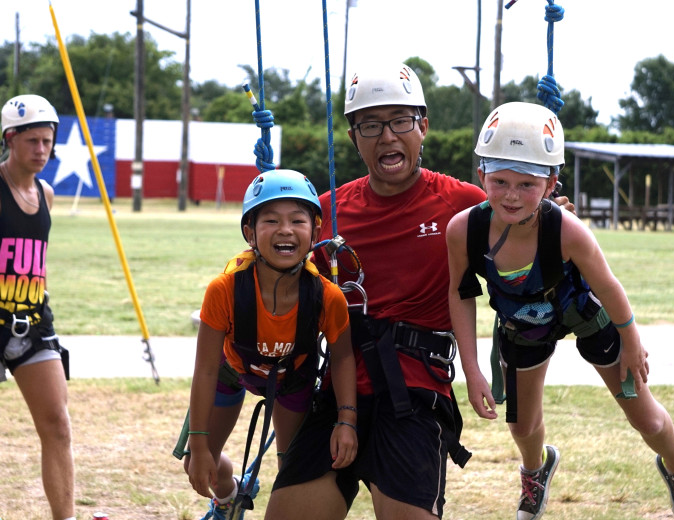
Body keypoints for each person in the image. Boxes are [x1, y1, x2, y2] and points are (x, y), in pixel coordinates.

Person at [247, 63, 488, 520]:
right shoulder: (323, 215)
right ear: (354, 137)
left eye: (401, 121)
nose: (387, 136)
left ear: (423, 128)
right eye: (371, 125)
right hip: (340, 393)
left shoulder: (462, 204)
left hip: (414, 393)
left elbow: (518, 240)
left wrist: (547, 220)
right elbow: (270, 280)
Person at [446, 101, 674, 520]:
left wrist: (632, 343)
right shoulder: (463, 229)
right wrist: (472, 370)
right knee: (522, 428)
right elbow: (460, 294)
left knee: (646, 418)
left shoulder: (570, 232)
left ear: (550, 185)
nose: (512, 195)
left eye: (527, 184)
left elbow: (609, 287)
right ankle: (537, 469)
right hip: (522, 325)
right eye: (500, 181)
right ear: (481, 177)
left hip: (585, 314)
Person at [184, 169, 357, 519]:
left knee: (292, 470)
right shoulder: (225, 290)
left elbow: (342, 359)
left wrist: (346, 420)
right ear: (250, 232)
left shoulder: (327, 297)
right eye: (271, 220)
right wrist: (200, 442)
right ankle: (228, 497)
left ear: (314, 232)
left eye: (297, 220)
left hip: (292, 380)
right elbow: (205, 368)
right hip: (232, 372)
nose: (285, 230)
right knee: (196, 462)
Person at [0, 94, 75, 520]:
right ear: (10, 139)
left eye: (47, 141)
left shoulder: (46, 194)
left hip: (31, 324)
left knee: (58, 427)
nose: (42, 150)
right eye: (33, 141)